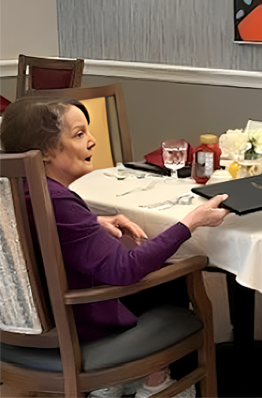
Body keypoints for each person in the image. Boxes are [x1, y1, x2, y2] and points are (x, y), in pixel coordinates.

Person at [0, 97, 230, 398]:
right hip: (77, 331)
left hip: (16, 333)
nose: (93, 141)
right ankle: (154, 380)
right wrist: (190, 223)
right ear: (44, 151)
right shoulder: (57, 201)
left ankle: (124, 381)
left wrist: (92, 222)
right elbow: (126, 269)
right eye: (79, 134)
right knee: (175, 272)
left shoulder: (16, 191)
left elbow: (39, 233)